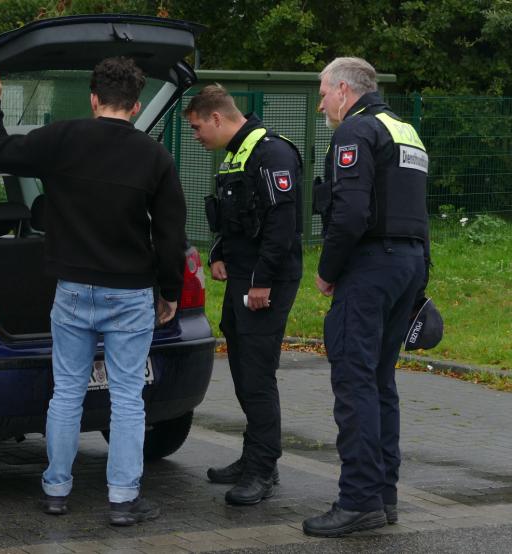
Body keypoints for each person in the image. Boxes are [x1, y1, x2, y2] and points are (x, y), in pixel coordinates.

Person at [0, 57, 187, 526]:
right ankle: (123, 500)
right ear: (136, 103)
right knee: (128, 397)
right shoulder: (155, 158)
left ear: (93, 98)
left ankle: (55, 491)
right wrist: (169, 292)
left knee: (66, 392)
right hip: (129, 294)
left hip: (72, 291)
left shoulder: (62, 138)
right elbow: (171, 235)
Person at [303, 57, 430, 537]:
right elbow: (416, 208)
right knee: (380, 382)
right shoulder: (405, 130)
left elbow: (351, 212)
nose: (320, 106)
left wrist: (327, 270)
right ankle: (383, 495)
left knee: (355, 383)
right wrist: (420, 278)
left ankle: (358, 501)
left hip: (371, 266)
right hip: (409, 263)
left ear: (342, 89)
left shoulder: (355, 132)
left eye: (321, 94)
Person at [184, 85, 303, 505]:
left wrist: (261, 282)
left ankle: (263, 468)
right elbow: (232, 215)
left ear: (217, 117)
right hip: (243, 278)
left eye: (198, 127)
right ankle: (253, 454)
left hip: (265, 281)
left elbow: (281, 224)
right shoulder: (237, 154)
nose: (197, 136)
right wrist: (219, 253)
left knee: (256, 375)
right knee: (242, 370)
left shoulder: (271, 153)